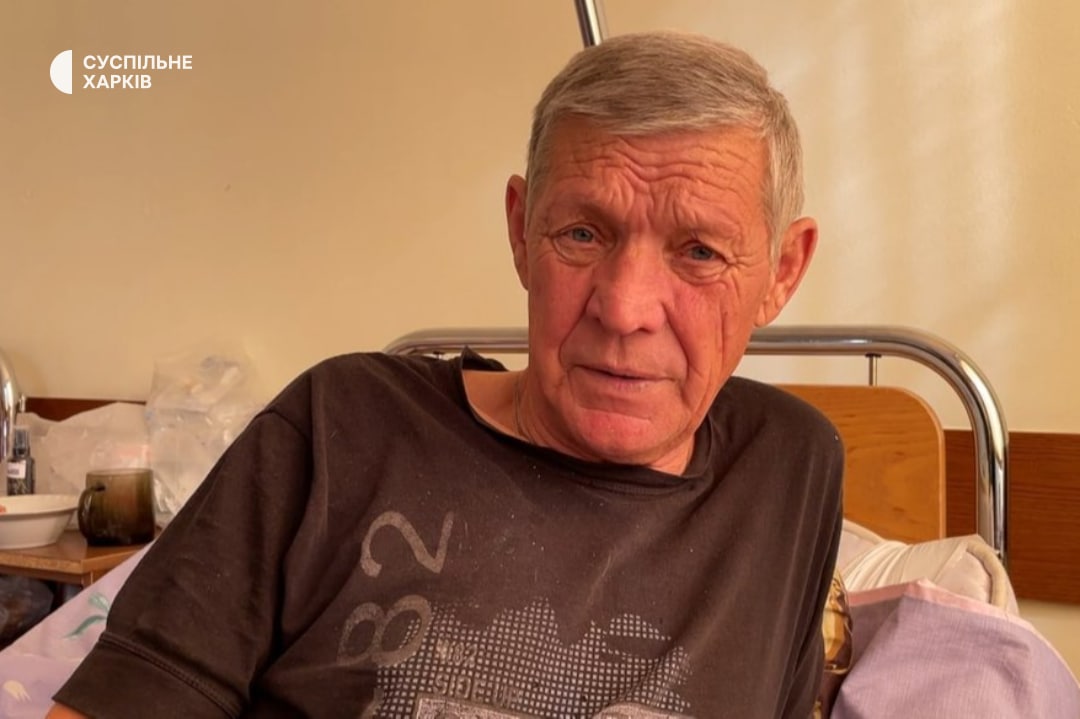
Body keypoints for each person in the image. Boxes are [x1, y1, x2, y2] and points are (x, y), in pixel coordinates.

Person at [49, 30, 841, 718]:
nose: (625, 307)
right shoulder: (341, 426)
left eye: (699, 251)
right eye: (582, 233)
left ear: (782, 271)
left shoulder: (787, 468)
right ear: (521, 232)